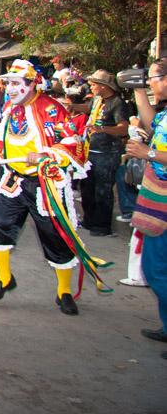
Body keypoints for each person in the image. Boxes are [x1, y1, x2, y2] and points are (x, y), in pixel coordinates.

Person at [0, 59, 99, 316]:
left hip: (45, 182)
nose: (9, 88)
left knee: (55, 236)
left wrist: (47, 154)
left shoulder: (51, 108)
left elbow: (72, 142)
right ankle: (4, 278)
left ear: (31, 84)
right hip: (15, 179)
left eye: (16, 83)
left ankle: (64, 290)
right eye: (7, 83)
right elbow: (0, 138)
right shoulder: (10, 108)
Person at [124, 58, 167, 359]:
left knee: (158, 270)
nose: (150, 82)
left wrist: (147, 153)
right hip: (158, 198)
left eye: (152, 78)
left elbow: (156, 148)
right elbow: (153, 125)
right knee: (155, 267)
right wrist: (139, 92)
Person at [79, 70, 129, 236]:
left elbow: (123, 128)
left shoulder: (117, 103)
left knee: (103, 190)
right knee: (87, 188)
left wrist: (102, 129)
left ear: (103, 86)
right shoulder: (97, 99)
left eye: (93, 84)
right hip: (90, 152)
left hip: (107, 153)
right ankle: (89, 220)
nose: (91, 87)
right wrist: (71, 106)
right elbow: (88, 108)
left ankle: (102, 226)